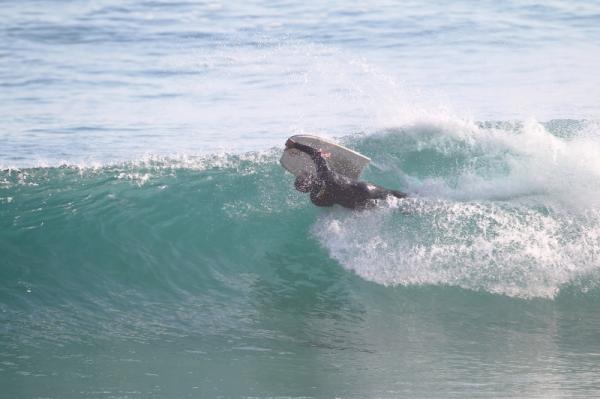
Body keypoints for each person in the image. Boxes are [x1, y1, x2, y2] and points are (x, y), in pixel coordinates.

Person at [286, 138, 407, 209]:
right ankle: (411, 197)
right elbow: (316, 154)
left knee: (384, 208)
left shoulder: (315, 200)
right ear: (311, 178)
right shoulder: (324, 173)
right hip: (362, 190)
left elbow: (330, 203)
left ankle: (405, 210)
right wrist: (295, 145)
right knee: (389, 194)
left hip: (354, 205)